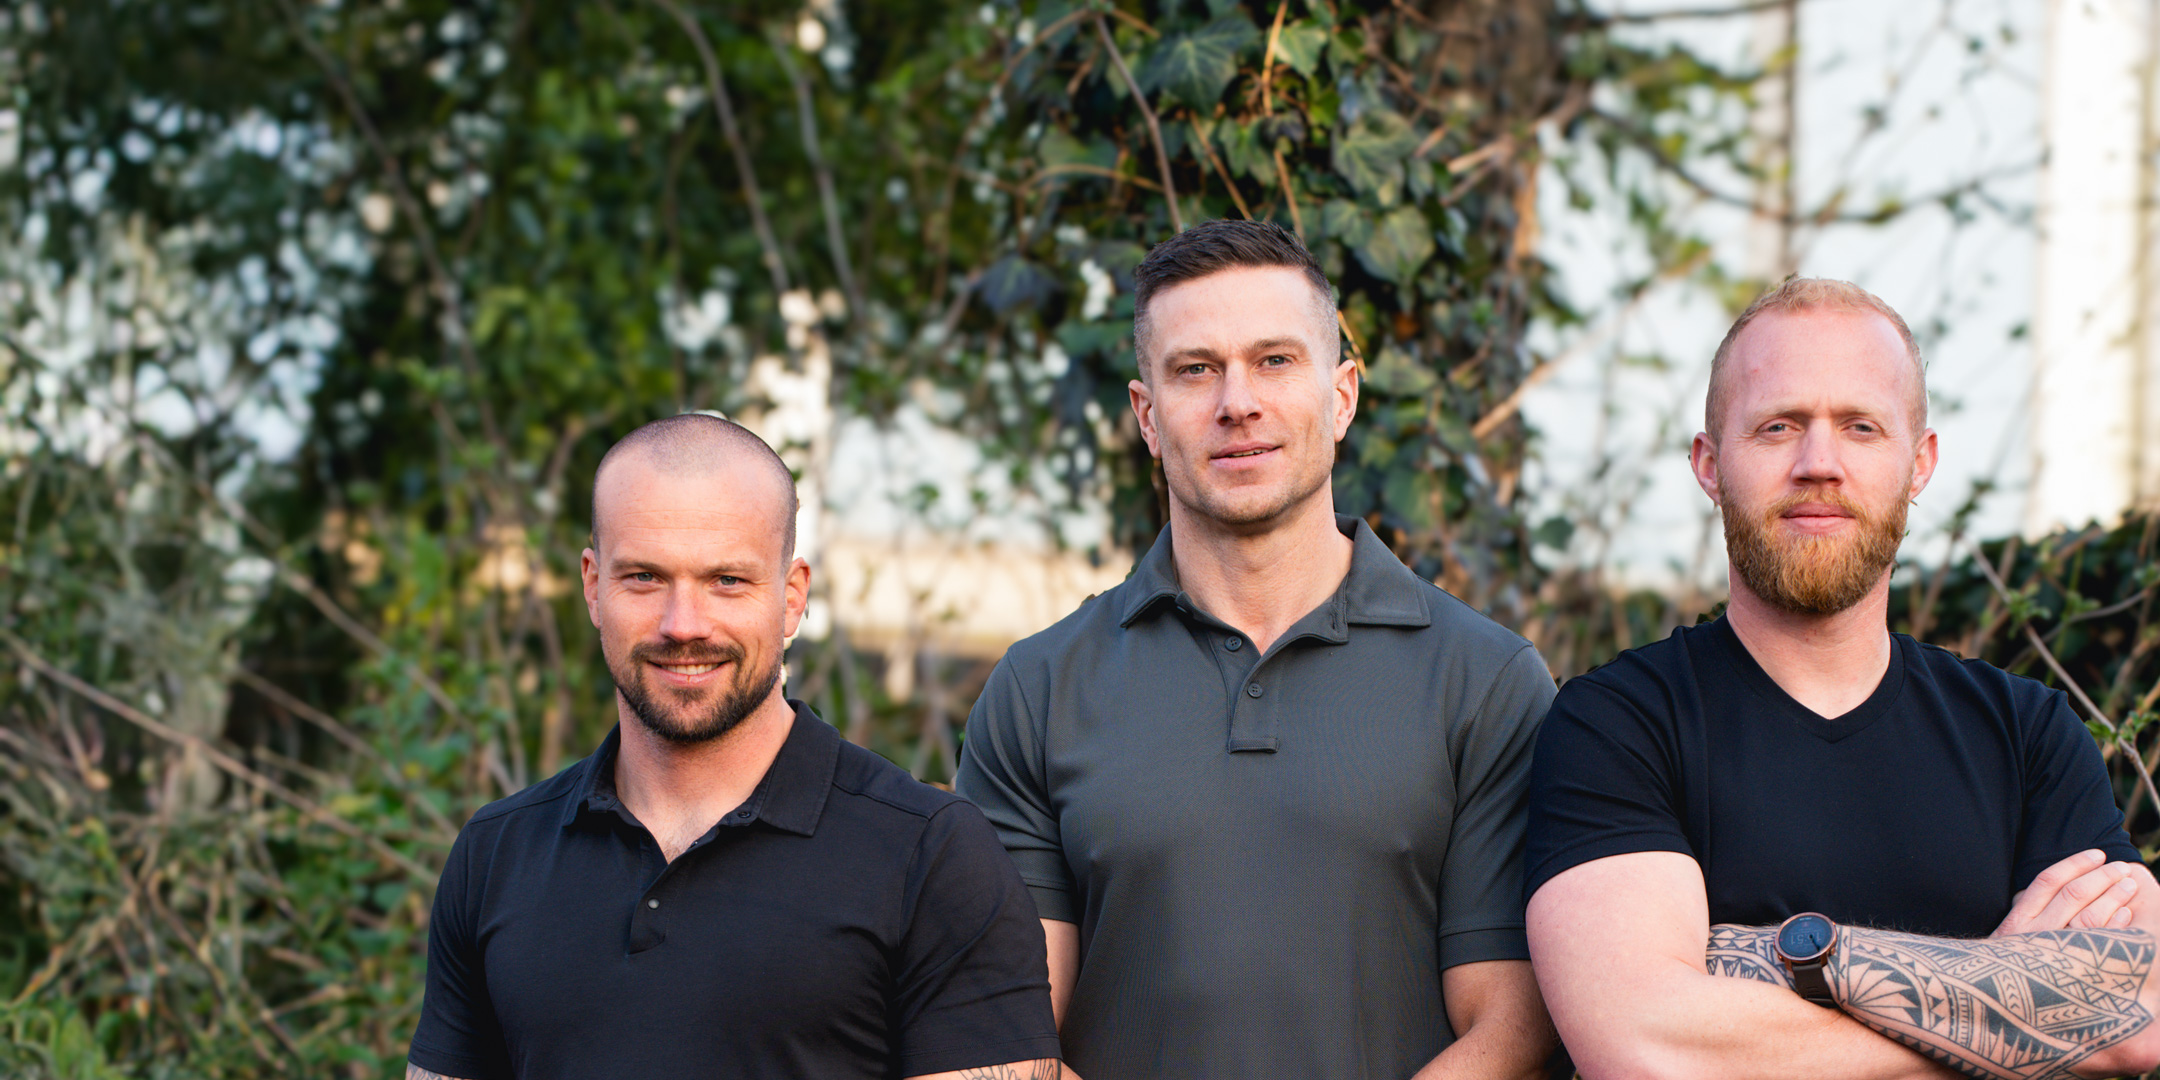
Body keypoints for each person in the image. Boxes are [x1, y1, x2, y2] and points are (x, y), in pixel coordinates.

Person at [954, 219, 1561, 1080]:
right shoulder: (1039, 690)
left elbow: (1511, 1035)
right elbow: (1012, 1036)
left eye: (1275, 361)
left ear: (1342, 395)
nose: (1237, 401)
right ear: (1147, 415)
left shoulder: (1486, 682)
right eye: (1195, 370)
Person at [1524, 278, 2160, 1080]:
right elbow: (1650, 1048)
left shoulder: (2027, 731)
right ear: (1710, 465)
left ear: (1918, 463)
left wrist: (1765, 961)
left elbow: (2140, 1016)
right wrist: (2003, 1002)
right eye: (1778, 426)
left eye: (1860, 427)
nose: (1818, 464)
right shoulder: (1616, 725)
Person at [405, 414, 1062, 1080]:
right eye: (644, 578)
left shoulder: (931, 855)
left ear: (792, 597)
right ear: (592, 585)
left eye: (727, 581)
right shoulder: (495, 854)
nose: (683, 625)